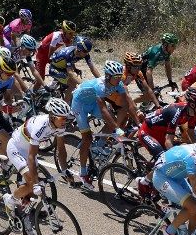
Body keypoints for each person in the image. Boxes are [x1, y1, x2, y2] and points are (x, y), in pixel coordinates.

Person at [58, 60, 140, 190]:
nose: (118, 79)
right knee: (87, 138)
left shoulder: (119, 84)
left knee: (113, 121)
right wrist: (117, 129)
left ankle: (99, 144)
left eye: (120, 76)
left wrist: (138, 123)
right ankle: (83, 173)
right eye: (116, 77)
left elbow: (127, 105)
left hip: (93, 103)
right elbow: (103, 109)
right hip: (80, 105)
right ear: (108, 76)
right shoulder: (100, 86)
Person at [3, 98, 71, 235]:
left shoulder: (60, 125)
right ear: (52, 116)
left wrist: (65, 170)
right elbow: (31, 156)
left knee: (34, 192)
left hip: (29, 151)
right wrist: (34, 183)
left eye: (66, 118)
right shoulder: (41, 126)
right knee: (32, 183)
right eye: (62, 118)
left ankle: (24, 215)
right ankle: (10, 200)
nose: (65, 121)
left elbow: (61, 148)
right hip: (17, 148)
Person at [136, 88, 196, 195]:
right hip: (147, 132)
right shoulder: (177, 112)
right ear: (193, 104)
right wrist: (176, 158)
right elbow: (168, 142)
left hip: (162, 133)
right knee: (165, 160)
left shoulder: (193, 112)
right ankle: (143, 181)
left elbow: (191, 132)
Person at [47, 36, 102, 103]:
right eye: (85, 51)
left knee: (73, 80)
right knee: (73, 84)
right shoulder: (68, 54)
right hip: (54, 69)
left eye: (88, 51)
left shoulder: (84, 53)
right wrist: (83, 84)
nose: (86, 53)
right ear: (79, 49)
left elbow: (92, 68)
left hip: (64, 67)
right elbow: (70, 73)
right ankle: (65, 104)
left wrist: (101, 80)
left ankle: (61, 89)